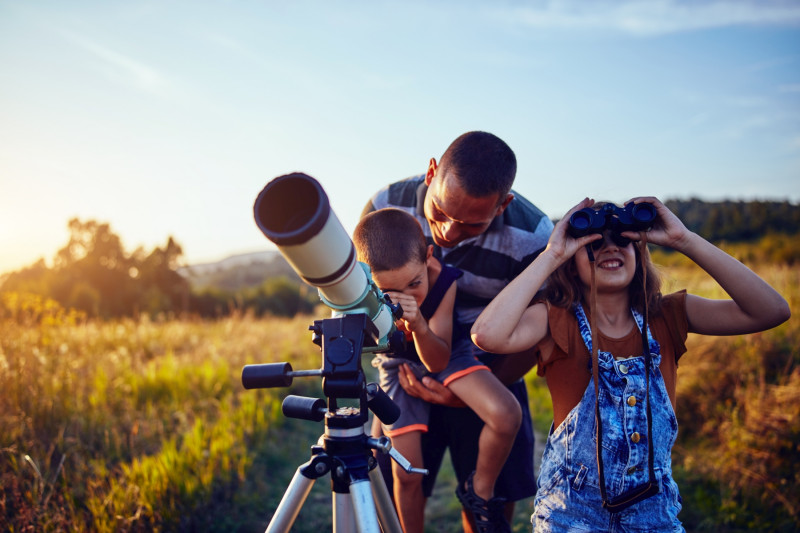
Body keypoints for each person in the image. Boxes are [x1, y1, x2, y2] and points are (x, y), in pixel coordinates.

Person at [470, 197, 791, 531]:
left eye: (624, 240)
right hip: (570, 514)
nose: (611, 249)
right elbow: (487, 335)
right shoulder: (556, 320)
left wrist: (684, 239)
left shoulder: (667, 315)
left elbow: (771, 310)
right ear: (570, 260)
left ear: (641, 251)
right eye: (594, 244)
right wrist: (552, 254)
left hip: (654, 514)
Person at [362, 131, 554, 532]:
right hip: (403, 365)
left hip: (486, 365)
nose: (447, 232)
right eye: (440, 212)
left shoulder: (533, 237)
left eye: (471, 225)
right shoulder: (385, 206)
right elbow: (361, 295)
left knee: (489, 508)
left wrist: (463, 395)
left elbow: (542, 327)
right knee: (395, 485)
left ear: (504, 205)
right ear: (432, 173)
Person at [354, 208, 522, 533]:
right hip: (398, 364)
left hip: (446, 351)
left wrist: (417, 324)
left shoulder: (443, 280)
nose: (406, 298)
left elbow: (437, 362)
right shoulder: (363, 295)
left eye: (415, 283)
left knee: (506, 414)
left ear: (429, 257)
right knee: (406, 471)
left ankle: (481, 491)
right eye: (389, 292)